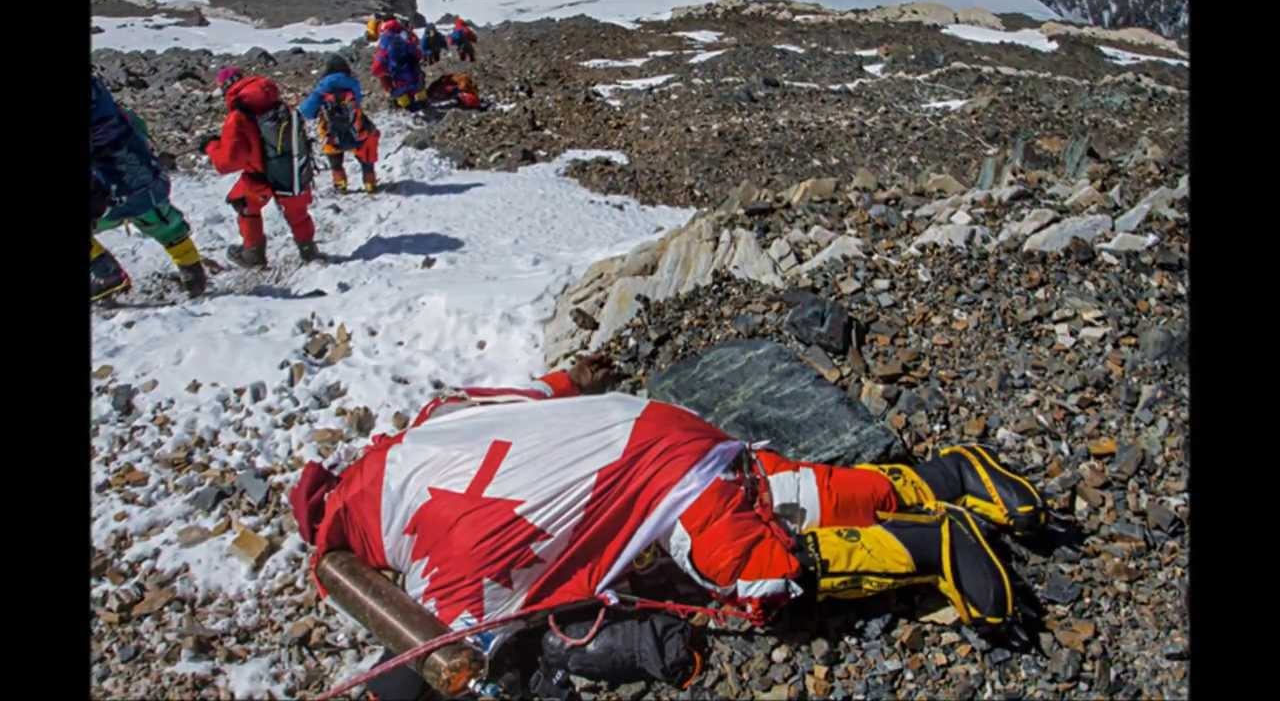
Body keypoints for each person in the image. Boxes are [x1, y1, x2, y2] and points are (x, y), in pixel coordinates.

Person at [290, 353, 1045, 679]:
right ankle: (944, 475)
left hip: (659, 483)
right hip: (658, 424)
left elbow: (481, 640)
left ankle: (925, 543)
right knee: (777, 491)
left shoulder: (434, 553)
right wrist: (573, 377)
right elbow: (529, 394)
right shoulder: (428, 425)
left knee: (759, 580)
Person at [91, 76, 207, 301]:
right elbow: (140, 130)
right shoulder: (116, 114)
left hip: (105, 194)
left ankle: (106, 274)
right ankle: (193, 272)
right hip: (146, 182)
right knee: (164, 222)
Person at [198, 68, 320, 268]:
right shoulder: (276, 102)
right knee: (297, 211)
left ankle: (253, 254)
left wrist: (211, 146)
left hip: (259, 176)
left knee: (245, 204)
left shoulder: (237, 116)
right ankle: (308, 251)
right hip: (289, 167)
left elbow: (227, 162)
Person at [299, 55, 381, 194]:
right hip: (357, 130)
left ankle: (340, 185)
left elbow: (306, 112)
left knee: (335, 162)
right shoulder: (353, 84)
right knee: (366, 156)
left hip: (331, 135)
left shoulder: (321, 89)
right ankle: (370, 184)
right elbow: (358, 103)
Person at [371, 18, 428, 110]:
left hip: (399, 84)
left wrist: (385, 73)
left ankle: (405, 106)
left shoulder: (384, 45)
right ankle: (423, 101)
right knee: (418, 78)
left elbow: (376, 68)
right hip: (415, 80)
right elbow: (418, 54)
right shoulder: (405, 41)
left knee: (387, 81)